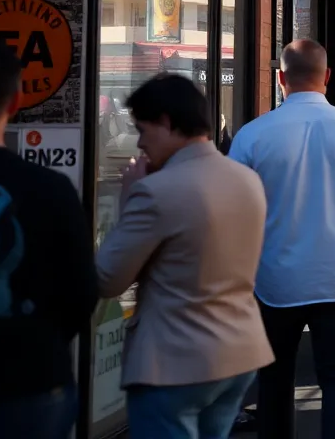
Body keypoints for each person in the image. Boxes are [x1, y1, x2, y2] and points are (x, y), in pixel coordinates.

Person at [229, 40, 335, 439]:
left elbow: (232, 213)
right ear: (328, 77)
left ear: (281, 78)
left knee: (273, 380)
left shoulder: (252, 136)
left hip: (271, 282)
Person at [97, 74, 273, 437]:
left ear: (165, 122)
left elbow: (108, 277)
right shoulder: (246, 179)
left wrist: (129, 198)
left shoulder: (156, 192)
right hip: (240, 354)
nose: (140, 144)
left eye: (143, 130)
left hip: (175, 364)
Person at [0, 41, 97, 438]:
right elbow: (82, 293)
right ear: (16, 101)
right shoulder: (51, 189)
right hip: (33, 381)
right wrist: (37, 339)